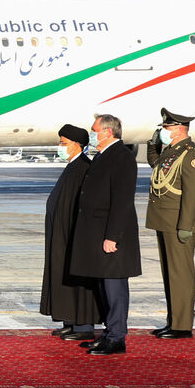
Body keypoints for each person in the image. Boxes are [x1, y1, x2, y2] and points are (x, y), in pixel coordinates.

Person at [69, 114, 141, 355]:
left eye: (94, 130)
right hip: (98, 234)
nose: (91, 134)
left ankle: (117, 337)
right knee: (104, 288)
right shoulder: (104, 154)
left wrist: (113, 236)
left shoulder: (122, 157)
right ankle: (109, 333)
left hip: (112, 236)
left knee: (115, 289)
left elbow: (122, 201)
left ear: (108, 132)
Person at [145, 108, 195, 340]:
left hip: (178, 222)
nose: (163, 131)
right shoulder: (172, 151)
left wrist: (186, 225)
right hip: (165, 220)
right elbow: (156, 164)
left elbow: (192, 195)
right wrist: (153, 144)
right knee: (170, 274)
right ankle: (173, 321)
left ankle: (182, 326)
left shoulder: (190, 155)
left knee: (180, 274)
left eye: (166, 128)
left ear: (179, 129)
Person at [39, 124, 101, 342]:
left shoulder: (84, 168)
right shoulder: (72, 167)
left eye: (63, 144)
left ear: (77, 145)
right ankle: (70, 321)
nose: (60, 147)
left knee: (79, 281)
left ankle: (83, 325)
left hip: (74, 237)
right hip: (62, 236)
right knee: (63, 277)